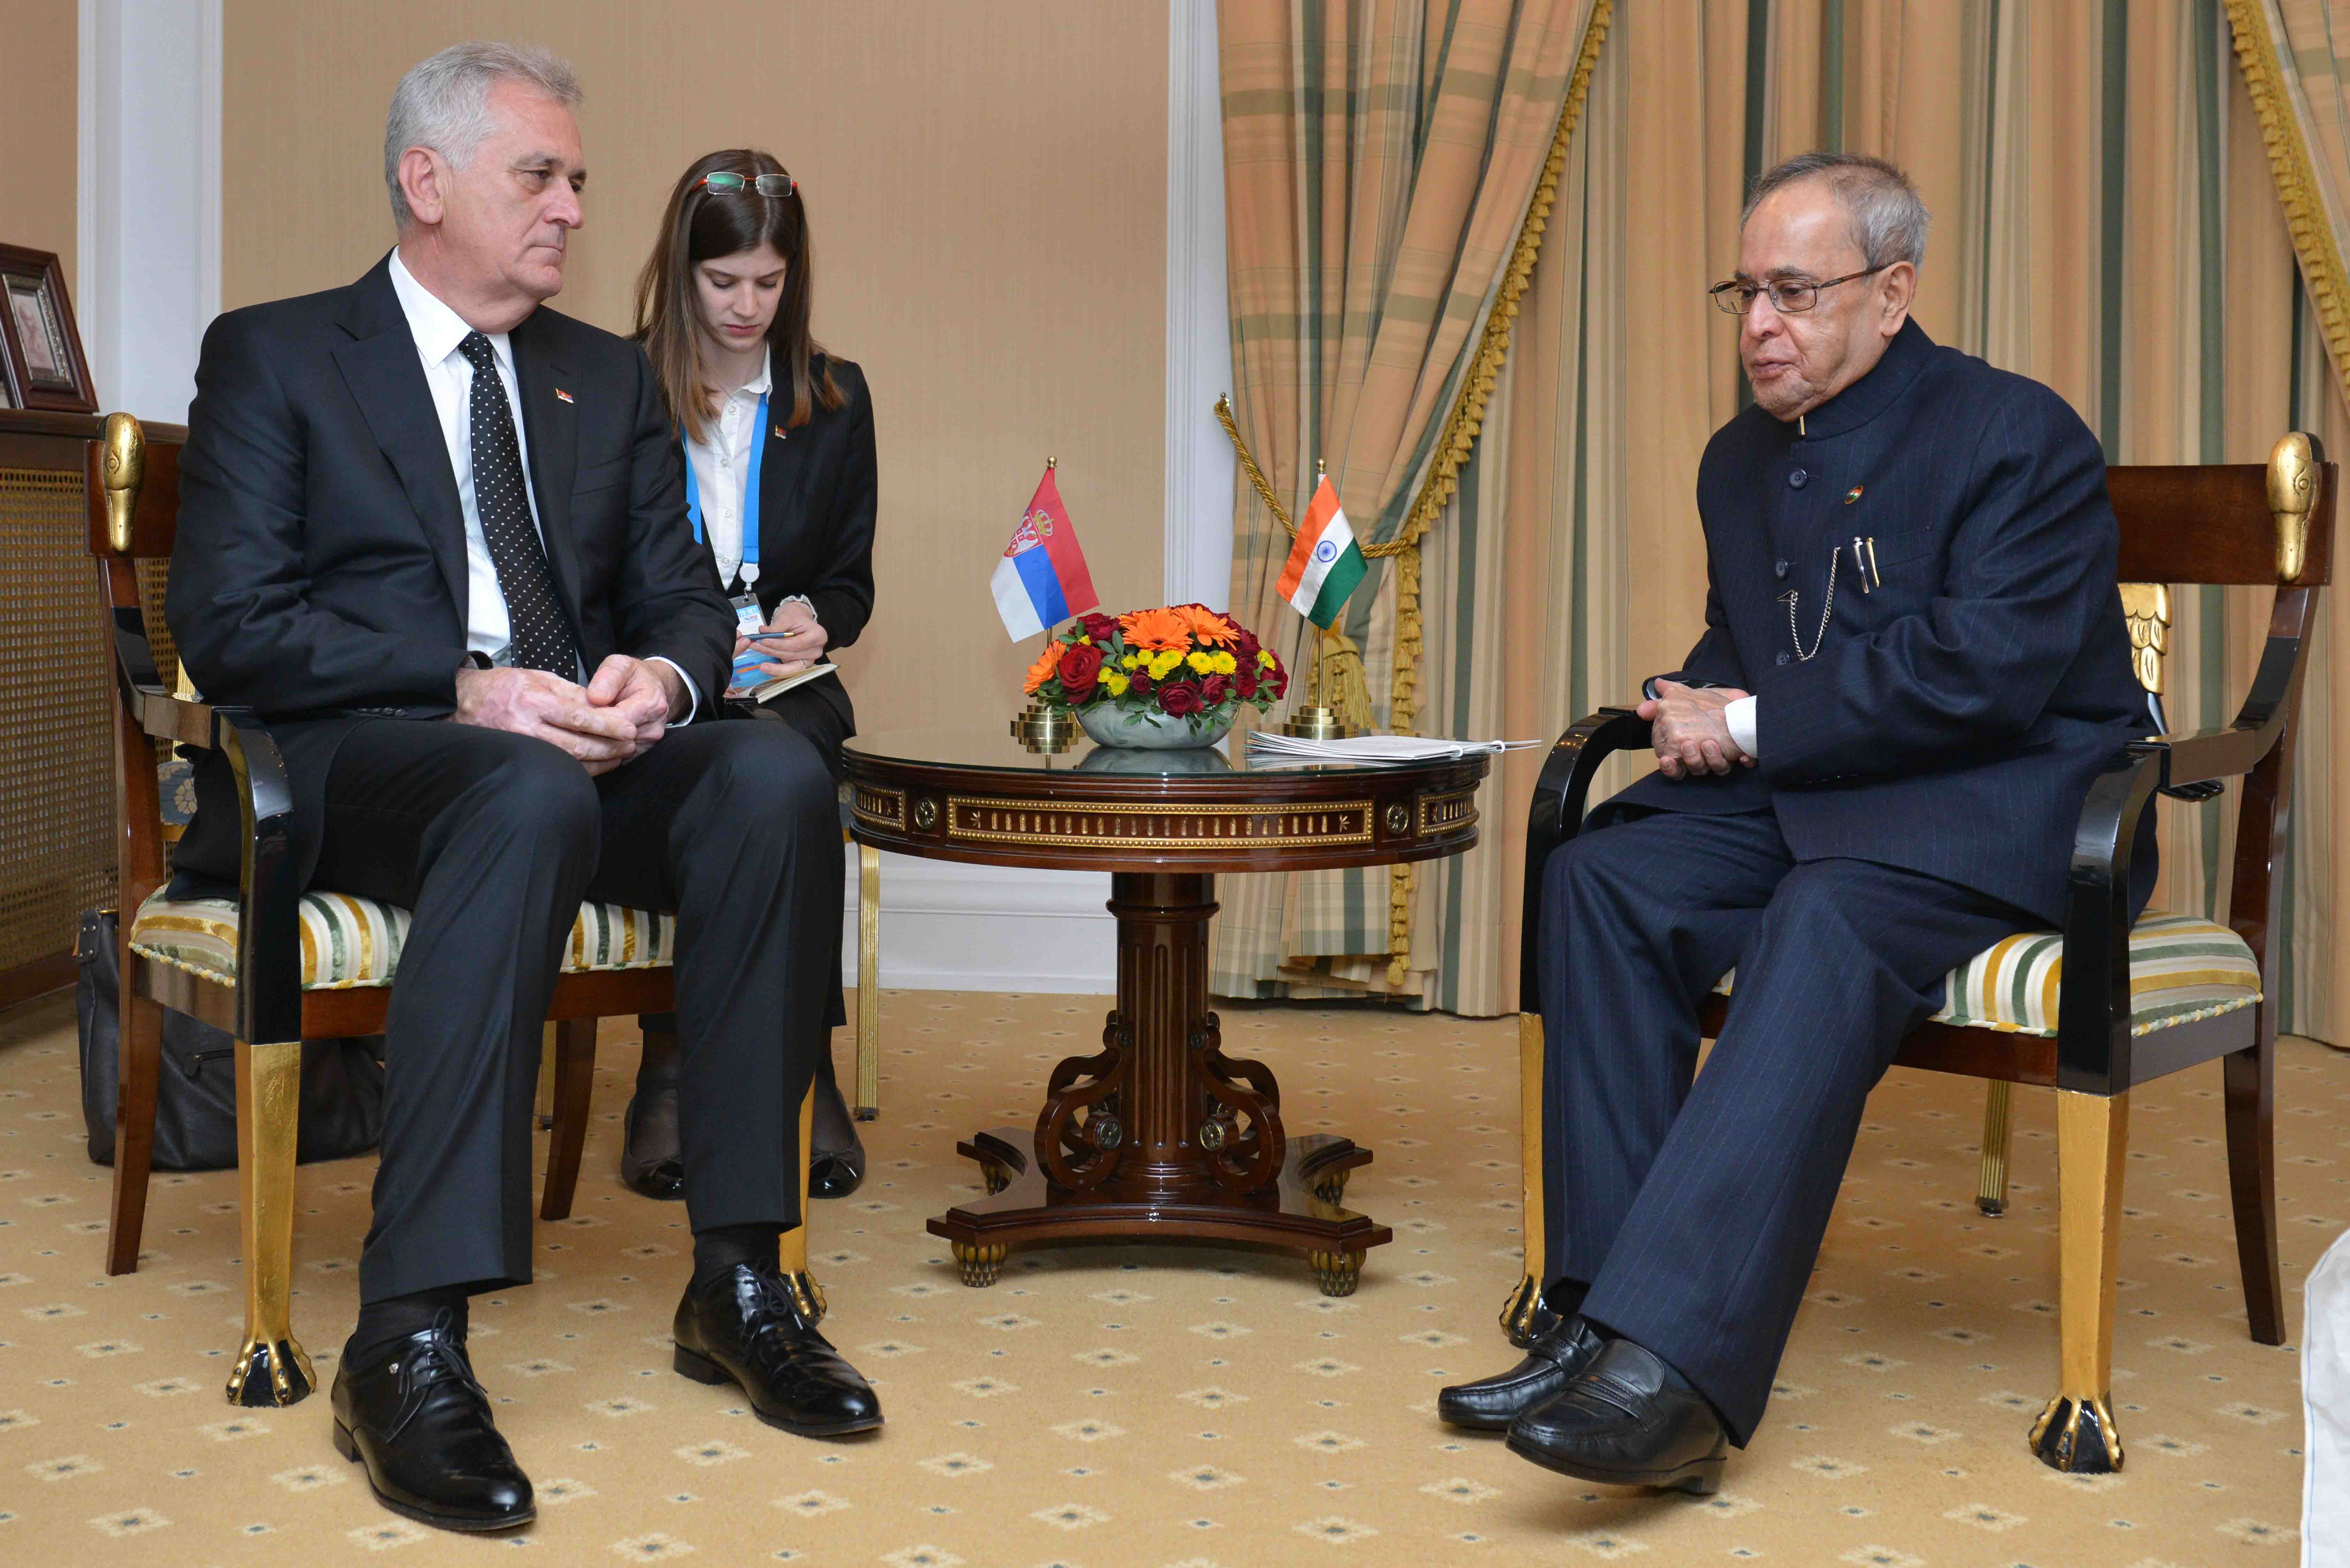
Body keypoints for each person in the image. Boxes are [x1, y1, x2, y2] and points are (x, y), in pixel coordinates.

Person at [164, 42, 881, 1534]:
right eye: (537, 177)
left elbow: (682, 597)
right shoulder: (280, 354)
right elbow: (231, 624)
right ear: (427, 184)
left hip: (567, 750)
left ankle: (743, 1274)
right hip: (365, 755)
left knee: (768, 773)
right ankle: (405, 1338)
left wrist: (663, 685)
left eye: (575, 182)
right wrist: (464, 680)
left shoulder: (601, 376)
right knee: (521, 792)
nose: (570, 210)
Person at [1436, 152, 2156, 1495]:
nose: (1760, 323)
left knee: (1820, 917)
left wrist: (1753, 719)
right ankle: (1593, 1312)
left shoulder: (2017, 433)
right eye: (1744, 292)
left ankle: (1676, 1371)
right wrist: (1691, 694)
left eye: (1794, 292)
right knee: (1600, 880)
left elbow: (1979, 673)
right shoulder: (1738, 460)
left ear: (1891, 294)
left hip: (1997, 806)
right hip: (1825, 789)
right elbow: (1763, 633)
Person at [619, 147, 878, 1204]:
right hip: (659, 671)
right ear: (683, 272)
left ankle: (804, 1062)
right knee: (687, 785)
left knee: (796, 779)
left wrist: (817, 620)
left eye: (768, 284)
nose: (746, 306)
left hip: (781, 685)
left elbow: (853, 580)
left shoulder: (835, 396)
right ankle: (671, 1061)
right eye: (724, 283)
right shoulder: (618, 382)